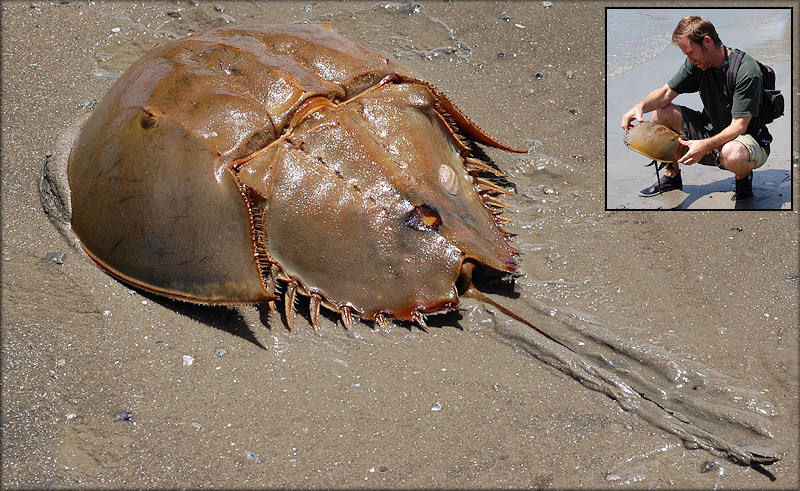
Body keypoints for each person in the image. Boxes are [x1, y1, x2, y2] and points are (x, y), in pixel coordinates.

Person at [621, 15, 772, 201]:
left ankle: (743, 184)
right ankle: (672, 176)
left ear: (707, 42)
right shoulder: (698, 64)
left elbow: (739, 126)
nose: (689, 59)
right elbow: (666, 93)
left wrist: (703, 146)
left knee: (733, 154)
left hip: (745, 141)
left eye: (690, 53)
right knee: (662, 113)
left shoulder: (745, 70)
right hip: (710, 133)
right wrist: (639, 107)